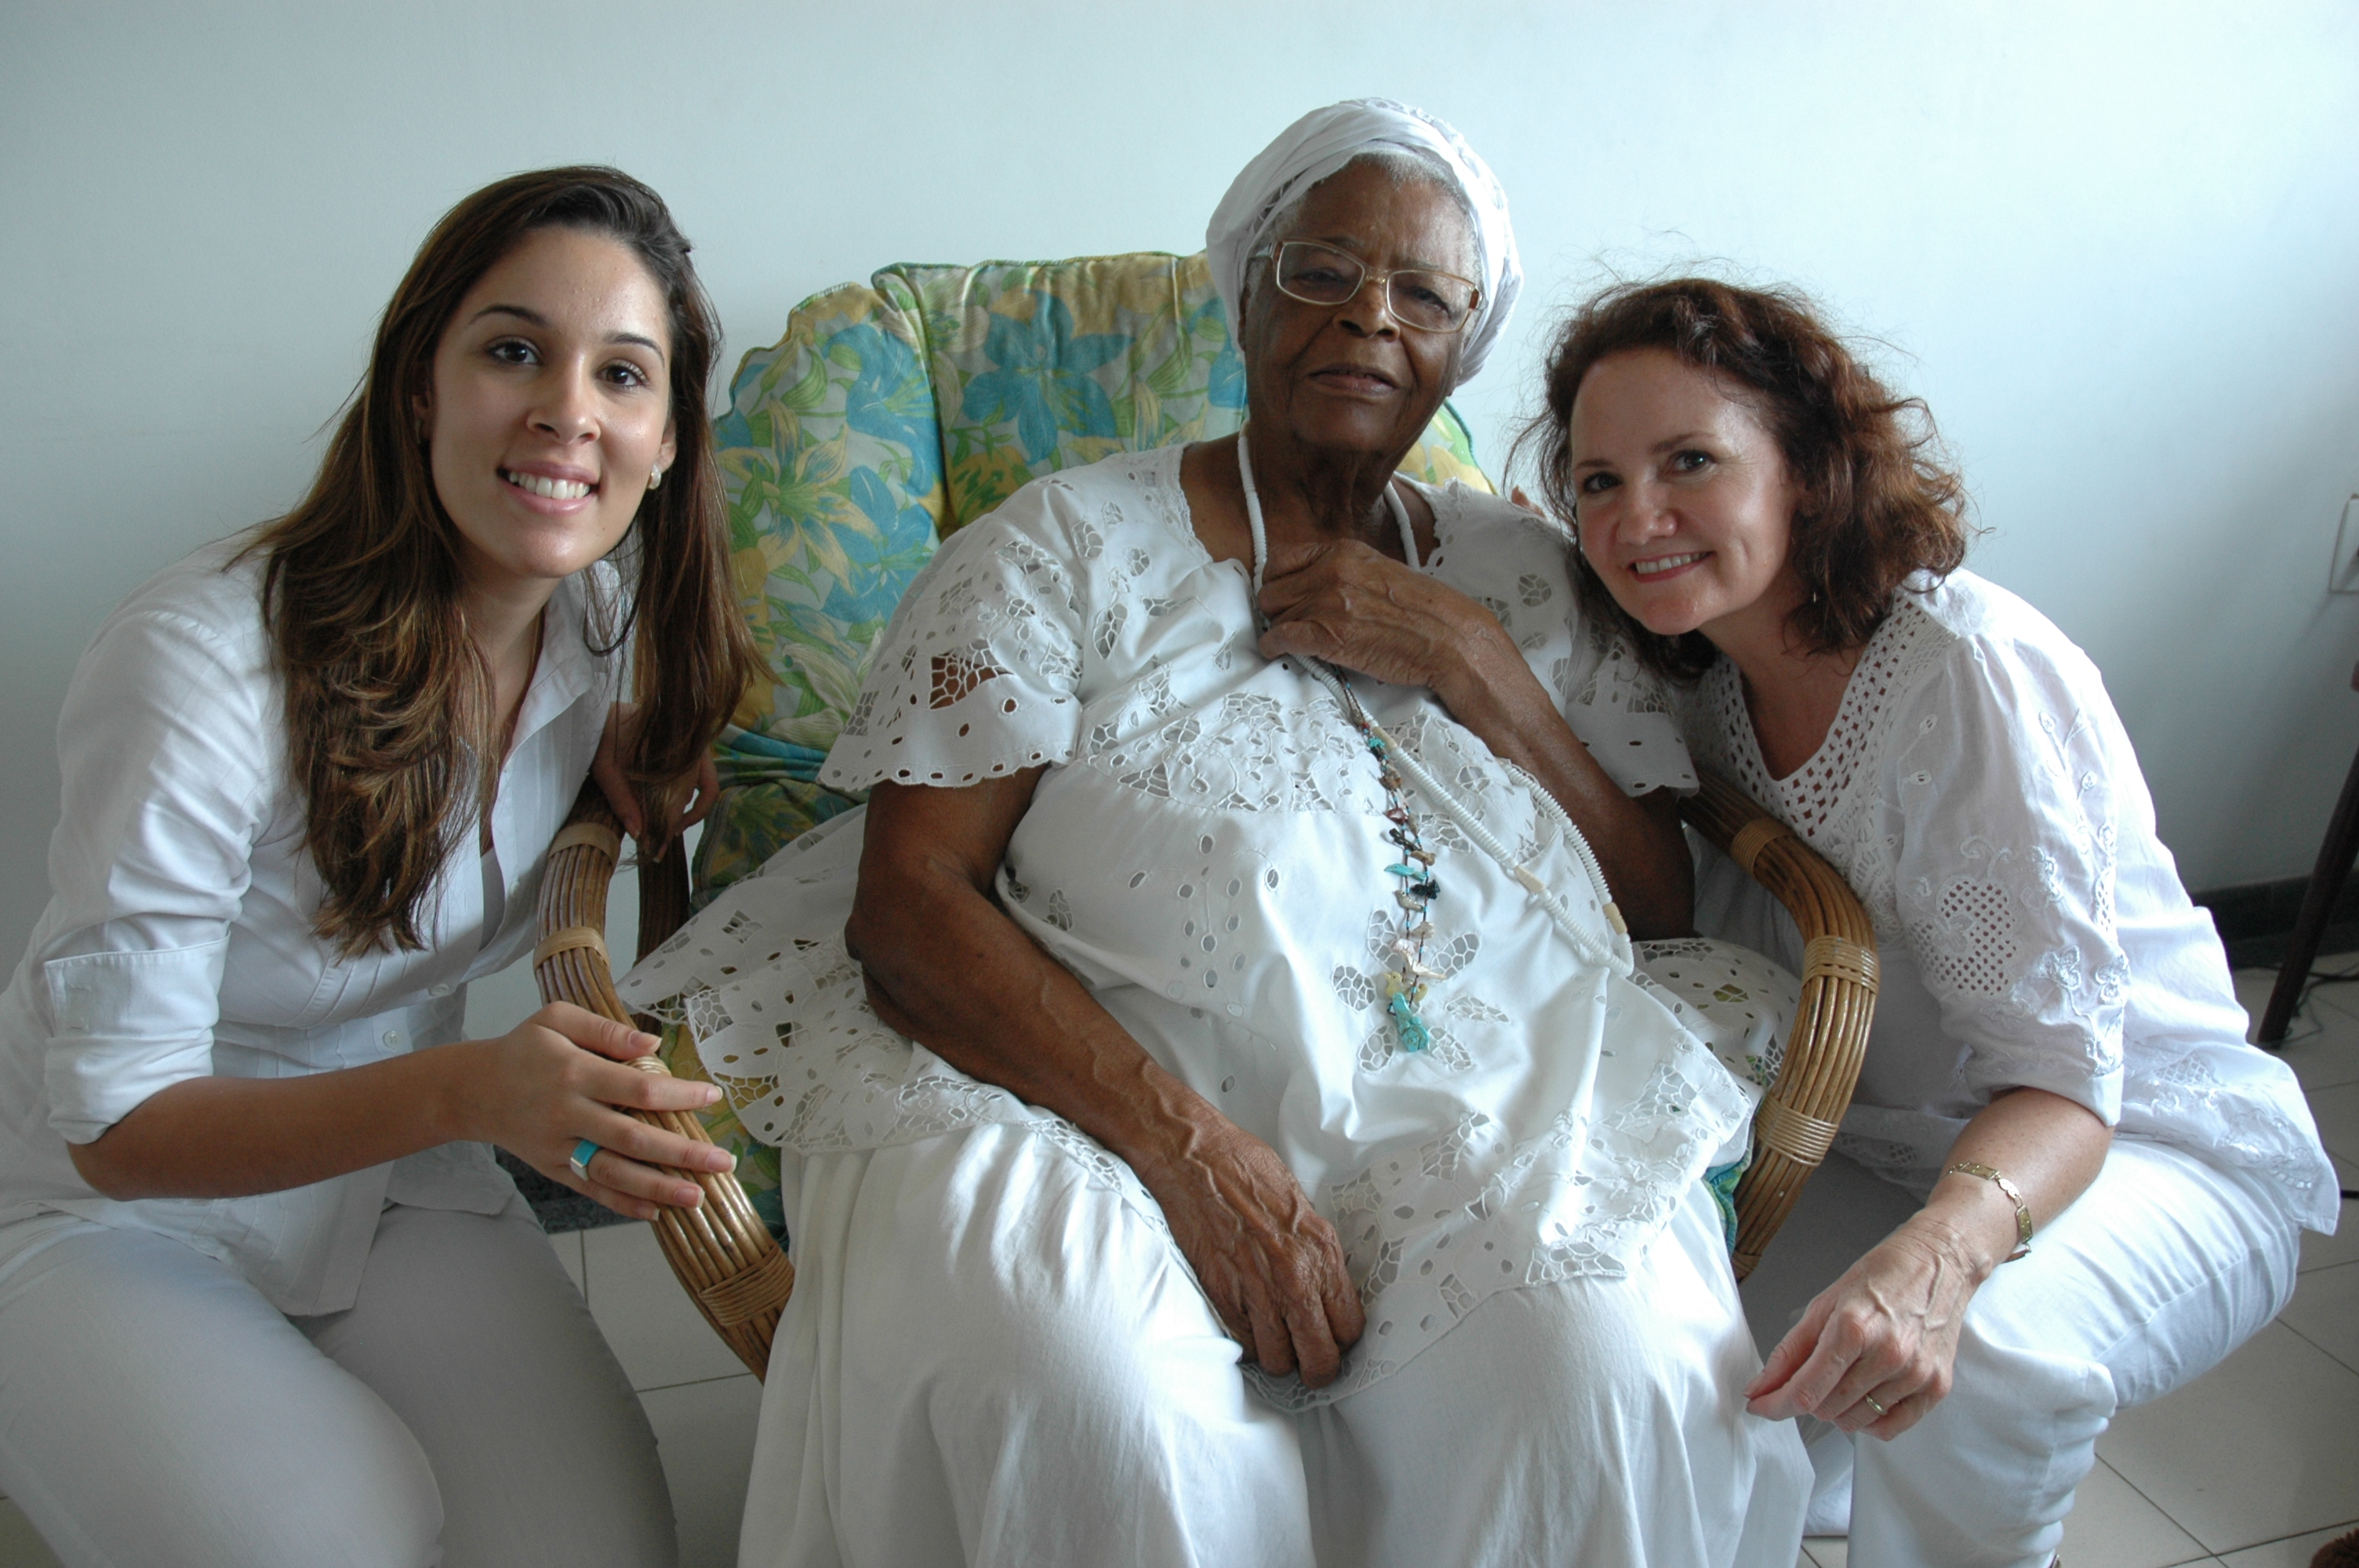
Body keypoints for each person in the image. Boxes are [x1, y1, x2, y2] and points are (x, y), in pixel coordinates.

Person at [617, 101, 1809, 1568]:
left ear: (1464, 342)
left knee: (1603, 1390)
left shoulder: (1528, 573)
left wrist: (1473, 669)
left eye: (1423, 293)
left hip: (1488, 1099)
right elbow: (911, 906)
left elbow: (1658, 903)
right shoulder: (1058, 547)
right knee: (1094, 1408)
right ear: (1243, 292)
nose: (1370, 316)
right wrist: (1190, 1153)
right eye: (1320, 271)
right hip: (1076, 1099)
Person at [0, 166, 760, 1567]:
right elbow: (119, 1131)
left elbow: (540, 746)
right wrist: (476, 1088)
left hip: (397, 1178)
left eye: (624, 375)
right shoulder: (195, 671)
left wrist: (635, 748)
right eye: (514, 349)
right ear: (422, 383)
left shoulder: (590, 625)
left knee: (586, 1550)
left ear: (666, 440)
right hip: (105, 1204)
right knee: (340, 1531)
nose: (566, 412)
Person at [1532, 275, 2340, 1568]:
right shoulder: (1701, 682)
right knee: (1651, 1349)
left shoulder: (1964, 676)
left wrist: (1938, 1265)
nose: (1641, 517)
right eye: (1598, 482)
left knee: (1993, 1361)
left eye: (1691, 460)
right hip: (1885, 1147)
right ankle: (1836, 1489)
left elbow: (2071, 1088)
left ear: (1804, 468)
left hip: (2143, 1146)